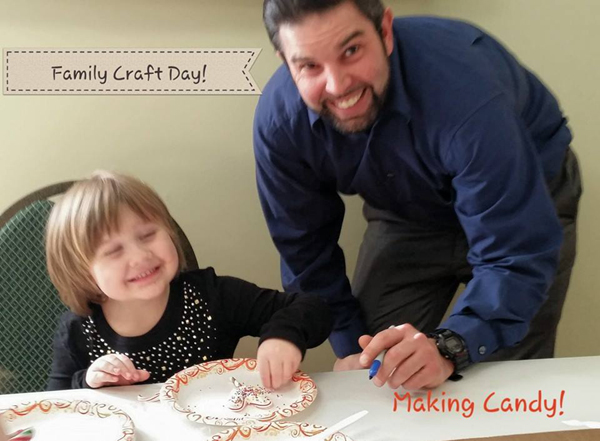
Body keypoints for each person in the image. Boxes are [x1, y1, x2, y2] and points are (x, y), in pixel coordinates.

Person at [254, 0, 581, 389]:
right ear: (285, 61)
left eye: (351, 50)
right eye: (309, 65)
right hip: (406, 215)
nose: (338, 86)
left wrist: (450, 347)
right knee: (381, 368)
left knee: (507, 382)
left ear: (385, 31)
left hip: (525, 202)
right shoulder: (280, 123)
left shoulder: (468, 93)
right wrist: (354, 351)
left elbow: (515, 254)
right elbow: (307, 255)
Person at [45, 171, 332, 391]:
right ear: (82, 272)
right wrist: (90, 382)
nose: (140, 256)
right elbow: (54, 406)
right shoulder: (77, 330)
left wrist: (284, 334)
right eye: (114, 251)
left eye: (148, 235)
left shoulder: (211, 296)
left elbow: (314, 306)